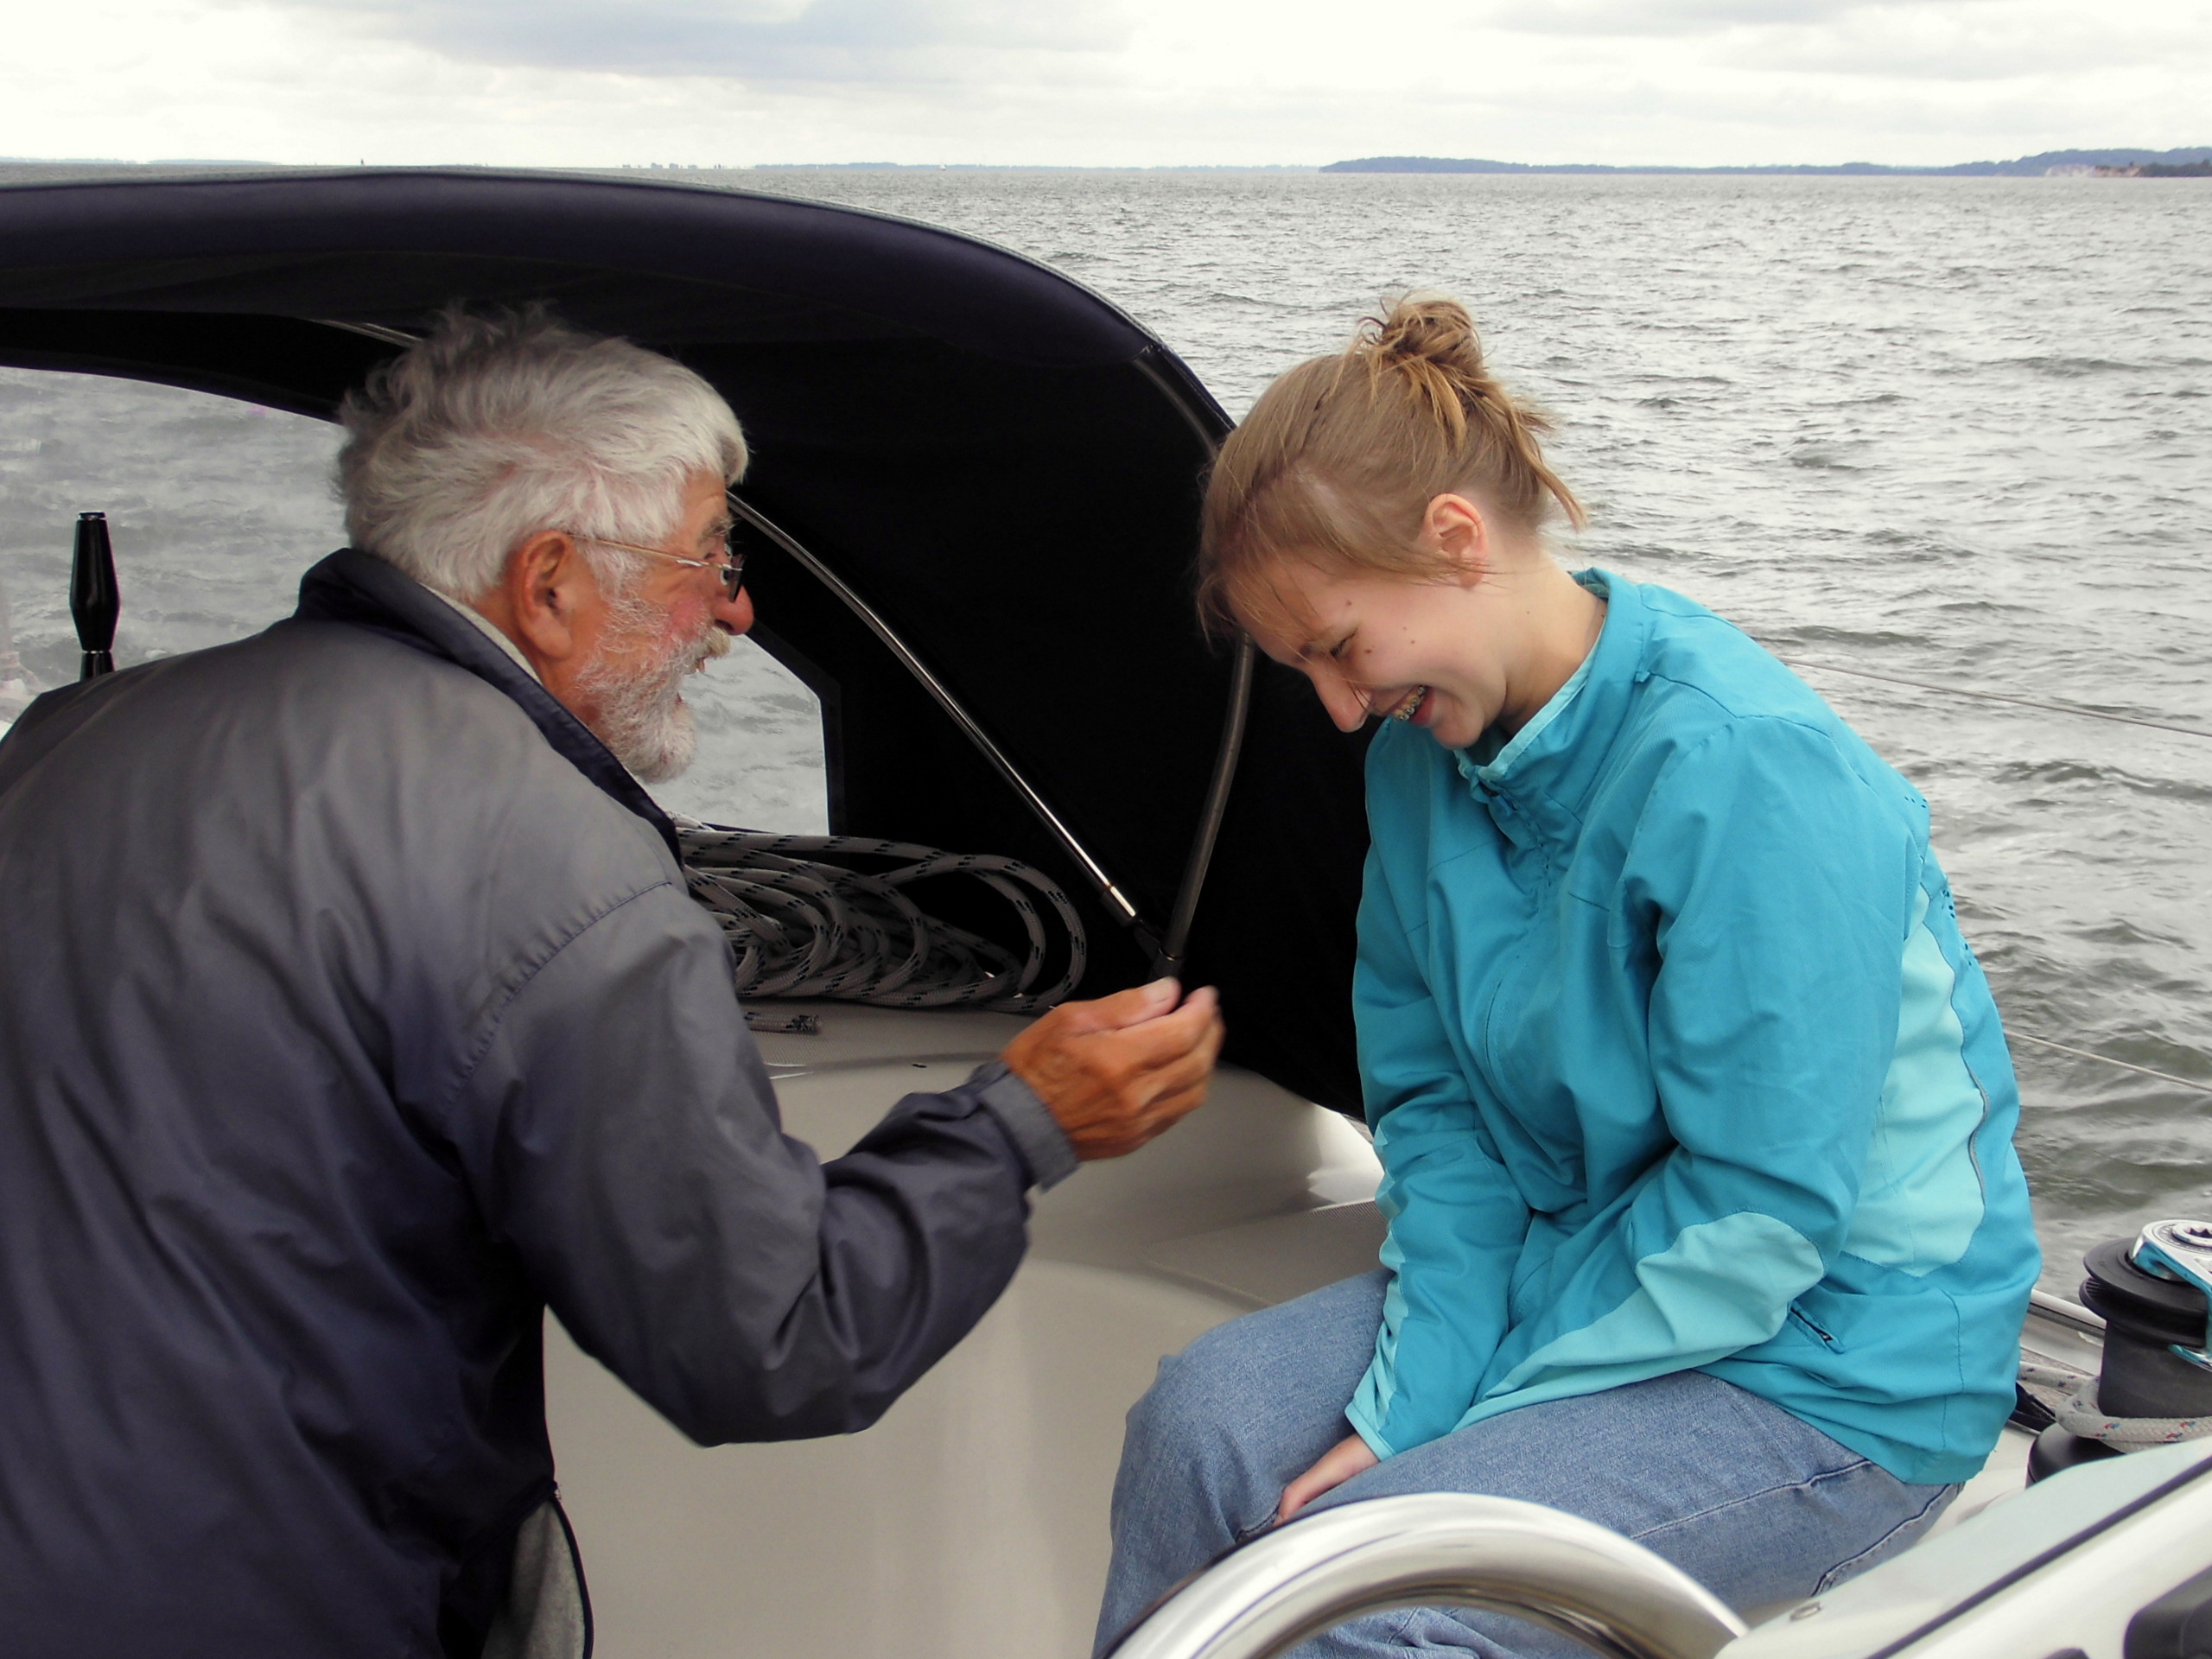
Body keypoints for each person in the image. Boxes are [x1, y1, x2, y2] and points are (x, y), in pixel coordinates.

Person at [0, 307, 1223, 1659]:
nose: (735, 611)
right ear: (551, 584)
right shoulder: (549, 862)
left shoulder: (67, 737)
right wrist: (1021, 1122)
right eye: (710, 557)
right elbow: (768, 1335)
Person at [1093, 296, 2038, 1656]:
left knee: (1381, 1603)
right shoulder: (1419, 769)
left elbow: (1762, 1207)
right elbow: (1438, 1114)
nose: (1340, 710)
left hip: (1839, 1360)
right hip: (1585, 1255)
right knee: (1200, 1431)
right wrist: (1414, 1392)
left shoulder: (1749, 770)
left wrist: (1438, 1438)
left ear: (1456, 540)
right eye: (1302, 671)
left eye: (1341, 649)